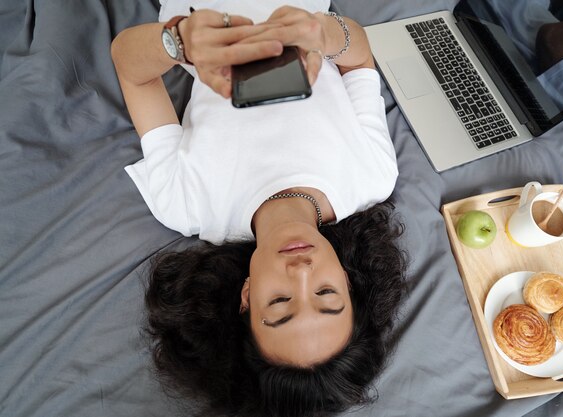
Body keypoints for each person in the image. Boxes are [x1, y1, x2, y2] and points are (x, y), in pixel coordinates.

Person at [110, 1, 407, 416]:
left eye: (281, 303)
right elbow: (358, 59)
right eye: (326, 293)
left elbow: (129, 66)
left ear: (246, 298)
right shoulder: (371, 178)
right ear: (348, 281)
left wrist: (179, 41)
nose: (302, 273)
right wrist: (323, 33)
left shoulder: (187, 205)